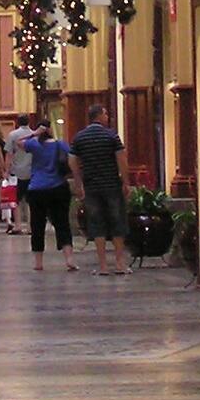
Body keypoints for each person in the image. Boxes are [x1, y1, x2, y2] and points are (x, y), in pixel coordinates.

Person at [69, 105, 129, 276]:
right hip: (111, 185)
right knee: (118, 222)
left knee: (97, 224)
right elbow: (121, 159)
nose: (108, 117)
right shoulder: (111, 135)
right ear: (99, 116)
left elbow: (72, 160)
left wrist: (79, 181)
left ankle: (103, 266)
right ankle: (120, 263)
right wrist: (126, 182)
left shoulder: (80, 137)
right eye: (106, 114)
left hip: (91, 186)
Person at [23, 119, 77, 273]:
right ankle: (69, 259)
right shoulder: (61, 144)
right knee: (62, 224)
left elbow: (17, 143)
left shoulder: (34, 144)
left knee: (37, 225)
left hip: (37, 189)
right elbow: (72, 160)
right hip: (58, 187)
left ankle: (38, 262)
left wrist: (33, 134)